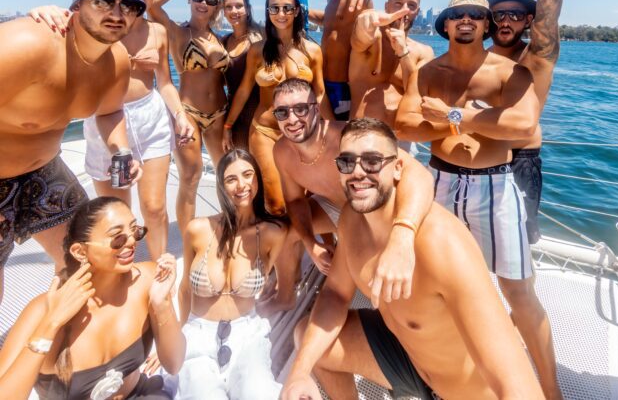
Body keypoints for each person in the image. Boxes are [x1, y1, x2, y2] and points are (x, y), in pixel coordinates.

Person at [281, 118, 543, 400]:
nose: (358, 173)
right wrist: (298, 374)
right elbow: (334, 295)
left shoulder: (442, 244)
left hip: (463, 392)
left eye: (372, 162)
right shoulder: (350, 221)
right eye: (347, 163)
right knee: (307, 338)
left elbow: (515, 384)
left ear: (397, 168)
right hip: (409, 361)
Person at [396, 0, 563, 399]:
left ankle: (551, 388)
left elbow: (523, 126)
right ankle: (445, 377)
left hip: (496, 183)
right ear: (446, 24)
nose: (466, 20)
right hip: (440, 183)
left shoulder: (508, 71)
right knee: (435, 285)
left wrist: (455, 116)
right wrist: (478, 123)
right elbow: (404, 124)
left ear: (487, 25)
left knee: (519, 293)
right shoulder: (428, 71)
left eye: (476, 14)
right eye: (457, 14)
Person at [29, 0, 195, 260]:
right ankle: (124, 271)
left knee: (155, 207)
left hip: (151, 117)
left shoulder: (158, 32)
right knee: (118, 212)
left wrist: (181, 116)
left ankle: (158, 270)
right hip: (107, 119)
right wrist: (43, 12)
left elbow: (166, 84)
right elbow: (71, 40)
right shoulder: (101, 27)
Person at [0, 0, 144, 302]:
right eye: (103, 0)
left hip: (44, 172)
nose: (117, 12)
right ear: (77, 4)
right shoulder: (27, 44)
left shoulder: (118, 60)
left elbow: (109, 112)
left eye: (130, 5)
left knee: (89, 261)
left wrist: (120, 149)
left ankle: (59, 335)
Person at [0, 196, 185, 399]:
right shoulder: (42, 310)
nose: (132, 241)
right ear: (80, 252)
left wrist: (162, 305)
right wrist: (51, 324)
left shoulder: (147, 279)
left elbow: (174, 364)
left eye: (135, 231)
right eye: (118, 237)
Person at [272, 77, 434, 305]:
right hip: (336, 208)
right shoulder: (281, 151)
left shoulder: (347, 137)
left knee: (379, 293)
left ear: (315, 109)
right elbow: (295, 200)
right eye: (282, 112)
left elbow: (419, 174)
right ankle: (286, 296)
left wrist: (403, 233)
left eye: (300, 109)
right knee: (282, 231)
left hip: (378, 213)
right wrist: (311, 244)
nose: (292, 119)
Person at [488, 0, 583, 245]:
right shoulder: (476, 59)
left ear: (527, 19)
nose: (505, 20)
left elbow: (547, 24)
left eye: (515, 14)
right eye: (498, 14)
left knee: (516, 252)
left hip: (519, 163)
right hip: (472, 164)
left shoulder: (534, 58)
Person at [175, 149, 287, 399]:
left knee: (259, 393)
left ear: (257, 178)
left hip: (247, 333)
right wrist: (174, 340)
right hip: (198, 334)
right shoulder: (198, 229)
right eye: (231, 179)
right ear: (221, 185)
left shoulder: (273, 233)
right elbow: (183, 289)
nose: (242, 185)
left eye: (248, 175)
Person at [222, 0, 329, 216]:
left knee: (303, 196)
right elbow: (243, 91)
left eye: (287, 8)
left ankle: (298, 243)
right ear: (268, 11)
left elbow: (319, 93)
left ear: (297, 11)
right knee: (276, 204)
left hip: (302, 134)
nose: (281, 13)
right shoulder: (258, 50)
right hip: (265, 131)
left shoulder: (312, 51)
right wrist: (228, 125)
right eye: (275, 8)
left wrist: (326, 131)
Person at [148, 0, 229, 236]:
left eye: (210, 0)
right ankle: (188, 239)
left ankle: (229, 224)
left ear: (217, 6)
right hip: (188, 113)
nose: (203, 3)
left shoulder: (221, 38)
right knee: (190, 178)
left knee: (225, 174)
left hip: (219, 113)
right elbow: (152, 3)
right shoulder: (177, 32)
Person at [349, 0, 434, 128]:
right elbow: (360, 39)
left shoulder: (424, 52)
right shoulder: (372, 40)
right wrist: (367, 20)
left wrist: (403, 53)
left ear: (417, 12)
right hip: (361, 133)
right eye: (398, 3)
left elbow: (417, 94)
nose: (404, 10)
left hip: (401, 137)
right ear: (386, 6)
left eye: (411, 6)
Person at [308, 0, 372, 120]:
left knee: (340, 141)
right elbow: (329, 21)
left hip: (345, 87)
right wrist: (300, 10)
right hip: (323, 83)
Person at [221, 0, 263, 151]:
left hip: (258, 115)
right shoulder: (223, 42)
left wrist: (227, 126)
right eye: (228, 7)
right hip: (233, 115)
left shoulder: (261, 37)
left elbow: (246, 87)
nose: (234, 11)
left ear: (248, 9)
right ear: (223, 11)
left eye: (239, 6)